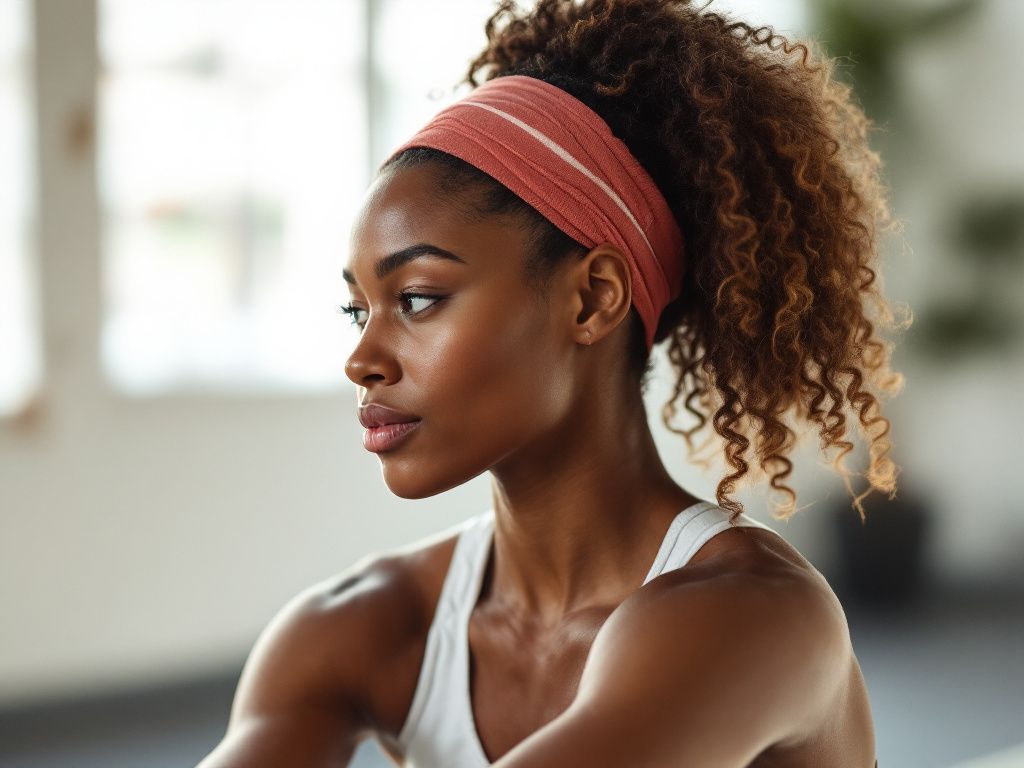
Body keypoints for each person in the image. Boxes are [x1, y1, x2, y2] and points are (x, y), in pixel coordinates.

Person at [199, 0, 905, 765]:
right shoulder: (358, 626)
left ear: (593, 298)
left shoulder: (754, 618)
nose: (362, 357)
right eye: (357, 308)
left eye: (417, 299)